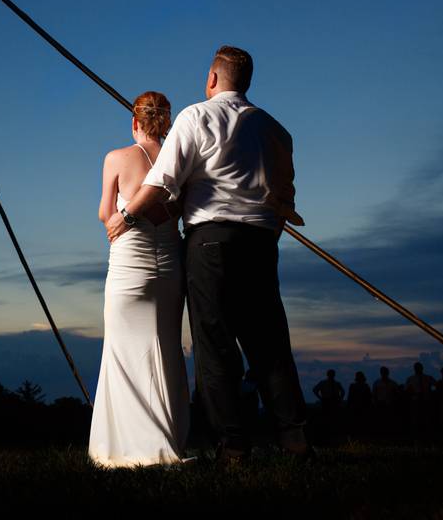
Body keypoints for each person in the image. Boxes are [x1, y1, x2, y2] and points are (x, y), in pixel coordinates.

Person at [105, 45, 313, 463]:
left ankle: (233, 445)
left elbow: (163, 182)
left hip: (210, 242)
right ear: (247, 82)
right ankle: (294, 439)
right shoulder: (276, 130)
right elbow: (286, 200)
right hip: (259, 242)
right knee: (269, 341)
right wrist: (267, 235)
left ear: (213, 79)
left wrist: (124, 215)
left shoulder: (195, 116)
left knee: (215, 344)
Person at [88, 91, 191, 468]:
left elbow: (105, 213)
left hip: (129, 267)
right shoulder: (179, 160)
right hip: (170, 266)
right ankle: (168, 438)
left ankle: (123, 445)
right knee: (164, 349)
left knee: (121, 349)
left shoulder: (116, 158)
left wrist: (121, 212)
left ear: (134, 121)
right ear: (165, 122)